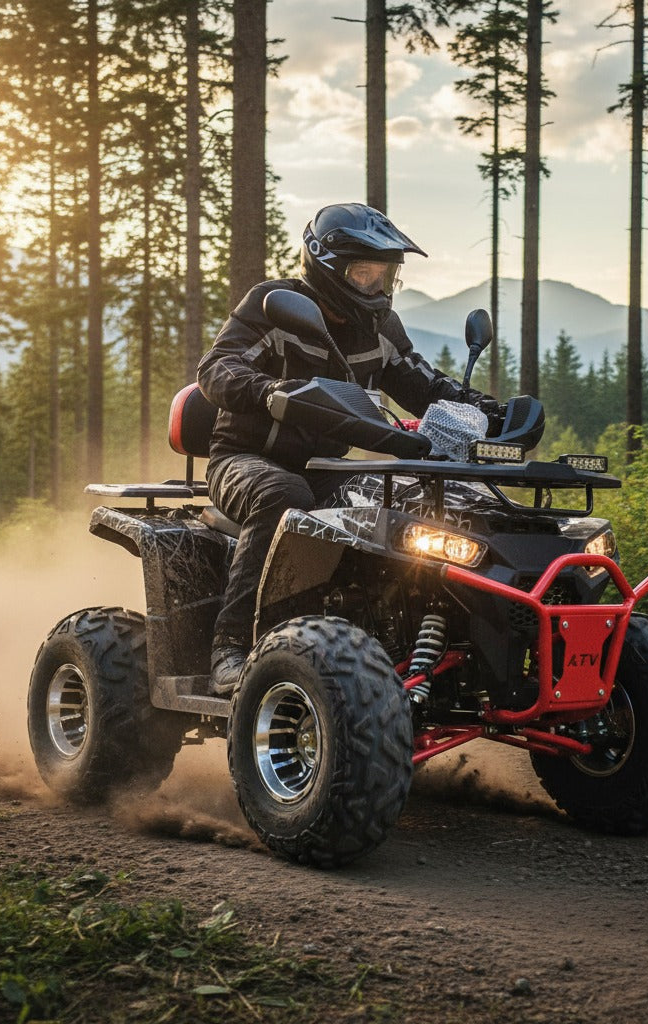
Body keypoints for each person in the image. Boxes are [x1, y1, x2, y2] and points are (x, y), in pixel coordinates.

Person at [197, 202, 505, 696]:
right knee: (283, 494)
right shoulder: (273, 305)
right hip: (246, 459)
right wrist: (267, 393)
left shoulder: (380, 328)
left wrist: (493, 412)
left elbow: (426, 385)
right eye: (364, 273)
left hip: (327, 466)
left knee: (417, 499)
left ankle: (400, 646)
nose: (377, 287)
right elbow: (216, 368)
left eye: (385, 274)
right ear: (327, 266)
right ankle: (232, 649)